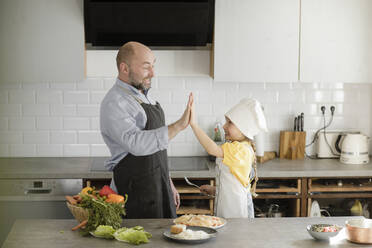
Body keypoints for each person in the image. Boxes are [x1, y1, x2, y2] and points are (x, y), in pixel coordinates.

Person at [100, 41, 191, 218]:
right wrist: (178, 126)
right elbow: (137, 144)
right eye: (146, 67)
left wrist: (168, 182)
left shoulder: (143, 95)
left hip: (158, 185)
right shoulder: (115, 102)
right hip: (135, 193)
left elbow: (157, 147)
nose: (153, 73)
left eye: (153, 66)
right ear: (124, 68)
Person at [189, 93, 268, 218]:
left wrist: (193, 124)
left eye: (230, 123)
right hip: (229, 210)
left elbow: (212, 149)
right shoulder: (239, 147)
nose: (224, 126)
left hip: (236, 213)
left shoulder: (240, 150)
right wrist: (216, 190)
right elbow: (234, 183)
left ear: (244, 128)